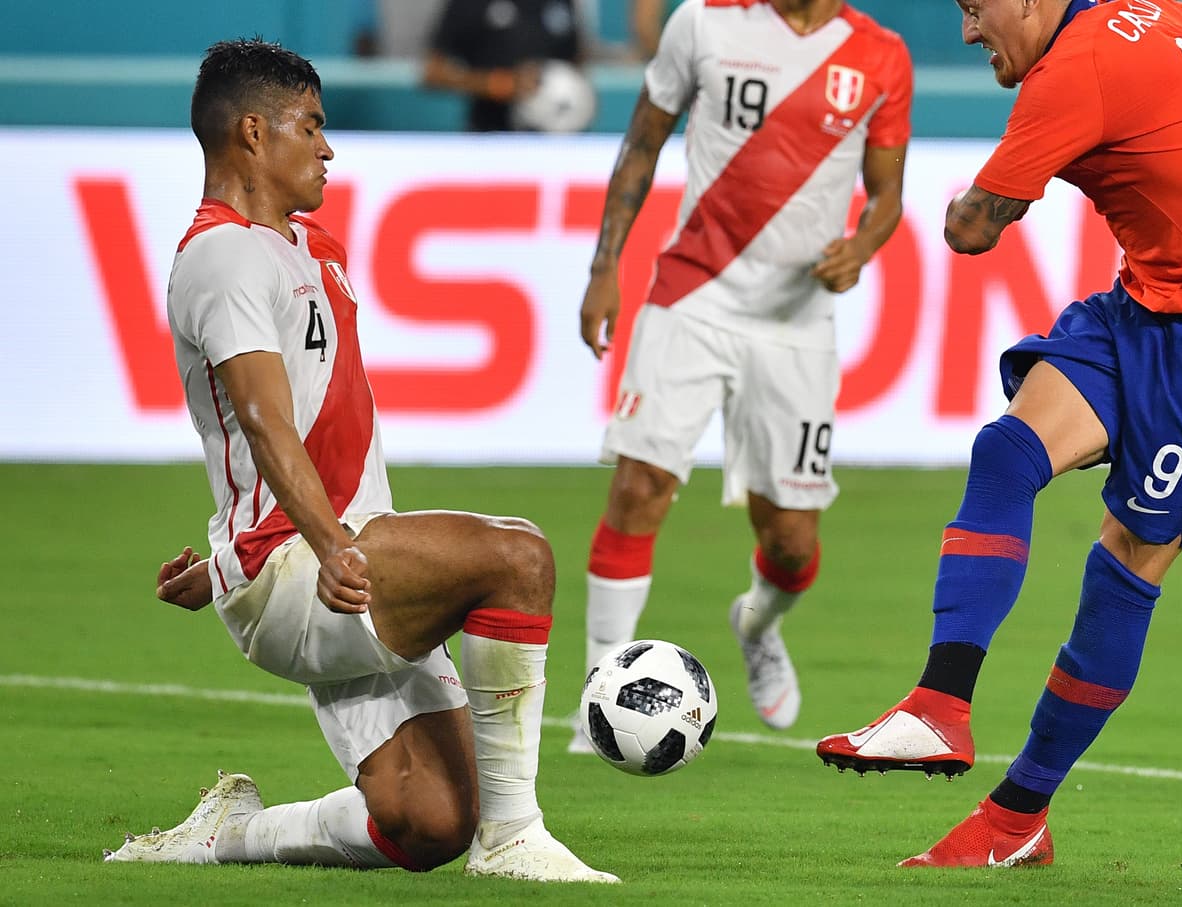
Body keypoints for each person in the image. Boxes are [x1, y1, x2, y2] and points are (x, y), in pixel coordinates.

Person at [100, 38, 616, 884]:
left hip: (311, 551)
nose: (329, 146)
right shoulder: (223, 255)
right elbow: (267, 425)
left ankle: (231, 831)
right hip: (312, 563)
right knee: (518, 557)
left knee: (429, 822)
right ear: (255, 135)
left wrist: (228, 558)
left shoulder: (313, 249)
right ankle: (516, 838)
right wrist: (328, 543)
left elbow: (295, 424)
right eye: (312, 125)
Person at [817, 0, 1182, 868]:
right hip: (1146, 301)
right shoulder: (1146, 13)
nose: (966, 31)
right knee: (1007, 449)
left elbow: (970, 230)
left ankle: (1016, 816)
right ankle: (936, 705)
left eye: (974, 8)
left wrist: (1019, 174)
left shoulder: (1070, 72)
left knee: (1124, 567)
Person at [571, 0, 912, 749]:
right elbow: (641, 144)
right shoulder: (702, 21)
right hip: (691, 294)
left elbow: (888, 195)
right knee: (638, 485)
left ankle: (757, 622)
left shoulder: (880, 56)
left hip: (796, 322)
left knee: (790, 539)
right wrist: (606, 268)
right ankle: (600, 693)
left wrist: (860, 247)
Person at [422, 0, 585, 131]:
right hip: (489, 135)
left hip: (553, 138)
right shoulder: (469, 4)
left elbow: (575, 59)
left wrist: (566, 88)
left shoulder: (561, 3)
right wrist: (497, 83)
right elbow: (433, 72)